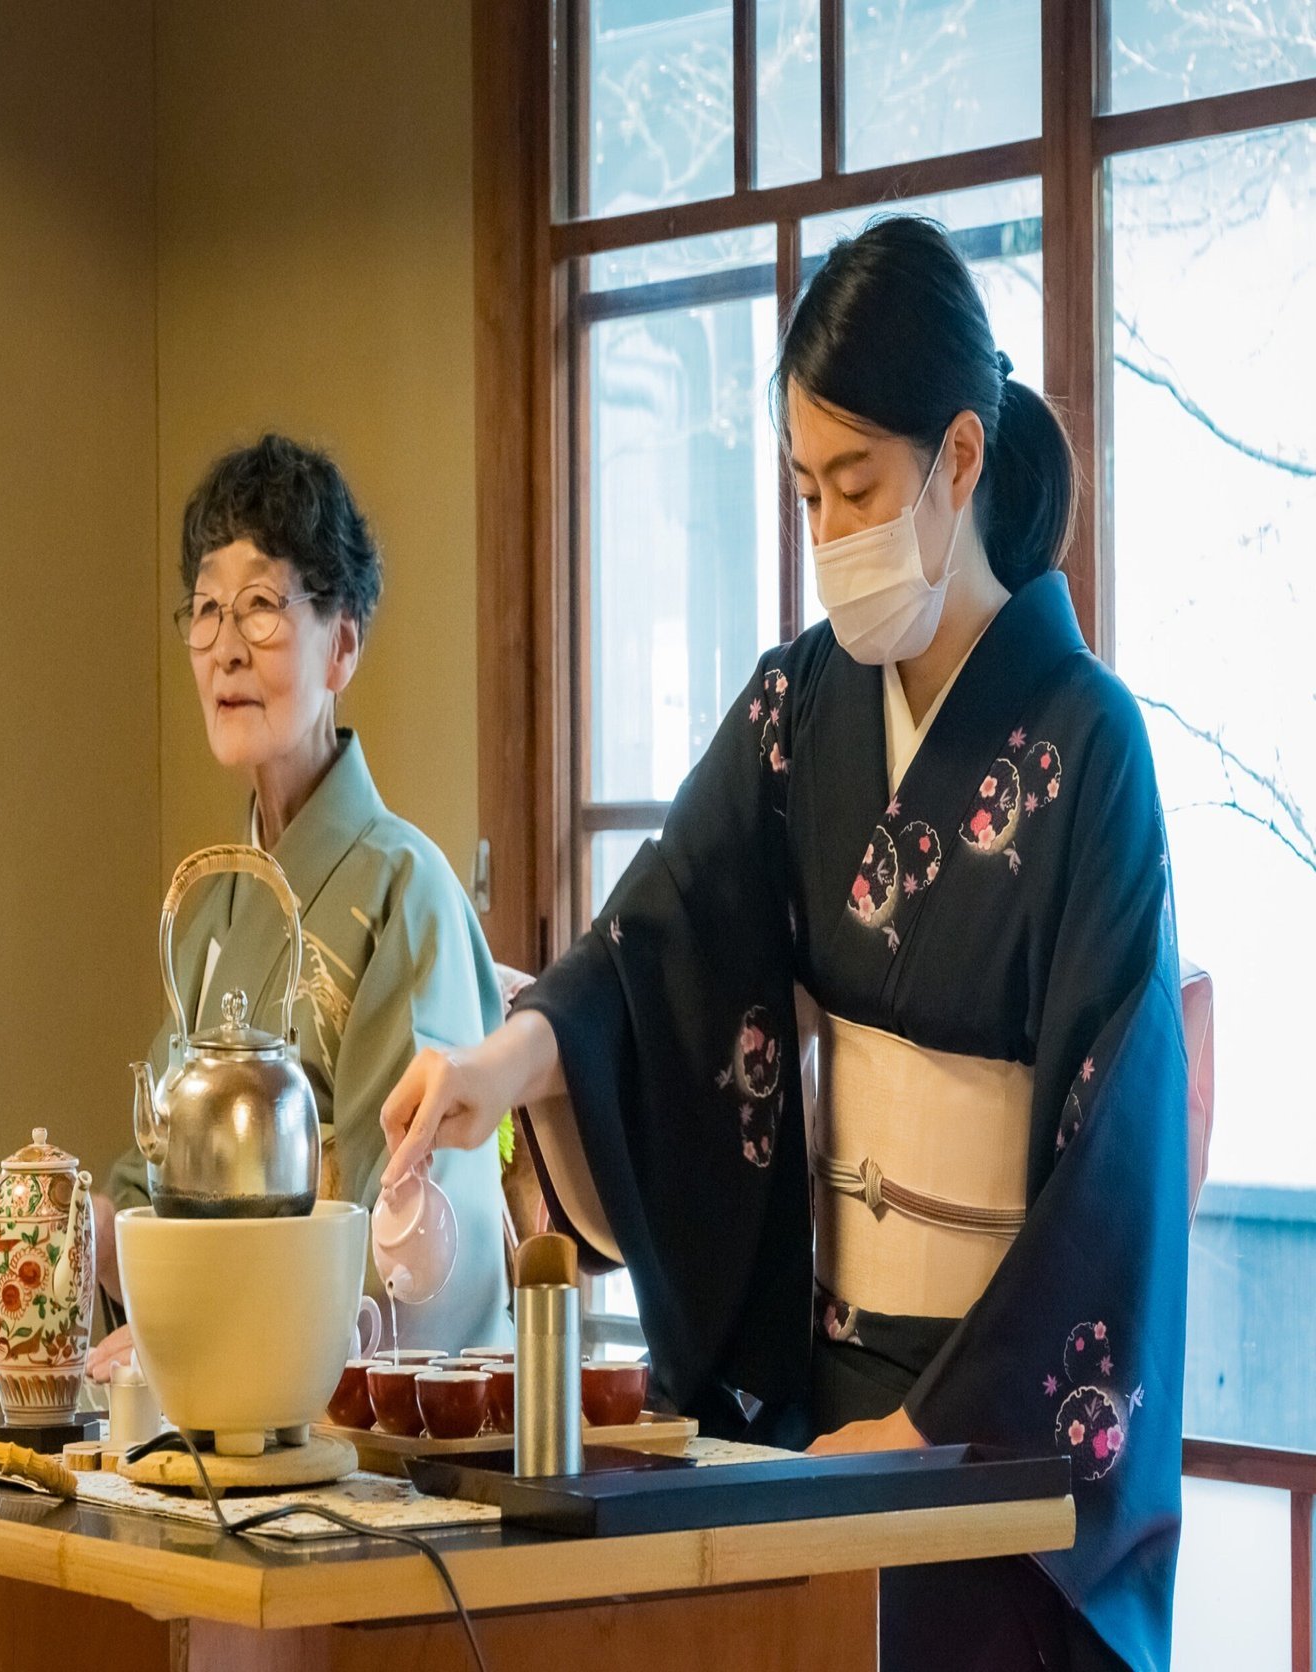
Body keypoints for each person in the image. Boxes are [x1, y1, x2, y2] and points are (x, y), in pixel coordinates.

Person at [381, 217, 1187, 1671]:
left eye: (857, 485)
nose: (827, 533)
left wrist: (932, 1430)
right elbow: (662, 930)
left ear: (958, 457)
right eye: (806, 492)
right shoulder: (798, 709)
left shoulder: (1090, 745)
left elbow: (1112, 1165)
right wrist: (505, 1063)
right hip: (827, 1405)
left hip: (990, 1447)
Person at [90, 434, 513, 1379]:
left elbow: (407, 1239)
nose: (226, 649)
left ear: (343, 645)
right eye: (206, 610)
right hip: (218, 1396)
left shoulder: (406, 893)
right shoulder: (211, 907)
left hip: (348, 1414)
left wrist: (200, 1336)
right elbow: (155, 1183)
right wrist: (80, 1231)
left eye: (262, 607)